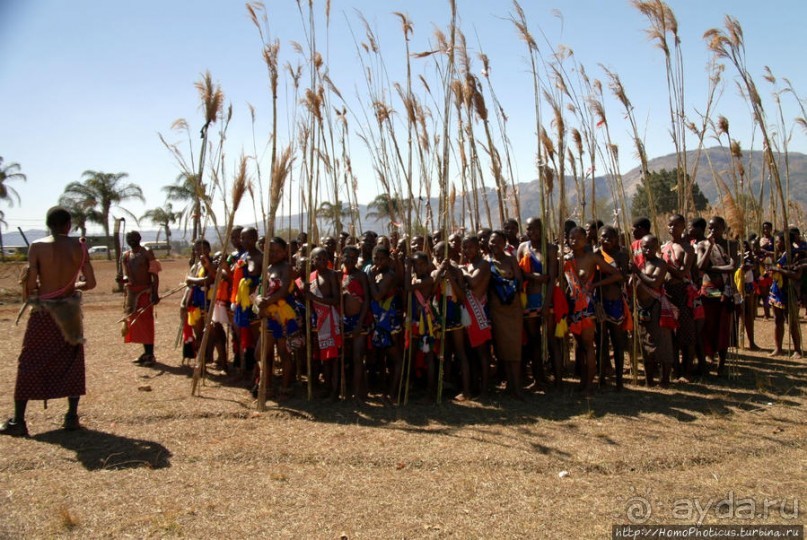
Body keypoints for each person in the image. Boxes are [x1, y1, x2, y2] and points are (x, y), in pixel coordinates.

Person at [1, 207, 96, 436]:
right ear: (68, 225)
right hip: (70, 312)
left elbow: (30, 285)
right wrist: (74, 286)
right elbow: (90, 283)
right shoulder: (79, 247)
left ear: (48, 224)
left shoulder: (37, 247)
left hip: (43, 313)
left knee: (30, 360)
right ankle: (71, 417)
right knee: (72, 359)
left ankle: (19, 421)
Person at [564, 227, 623, 395]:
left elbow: (616, 274)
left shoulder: (592, 257)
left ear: (585, 239)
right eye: (571, 238)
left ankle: (590, 385)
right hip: (572, 306)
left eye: (578, 238)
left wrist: (595, 285)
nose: (574, 241)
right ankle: (583, 381)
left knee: (588, 345)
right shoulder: (566, 259)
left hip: (587, 306)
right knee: (580, 346)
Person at [516, 217, 557, 389]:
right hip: (529, 299)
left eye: (534, 229)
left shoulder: (550, 249)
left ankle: (557, 379)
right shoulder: (522, 248)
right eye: (528, 229)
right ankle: (537, 378)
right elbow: (519, 273)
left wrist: (547, 304)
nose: (531, 232)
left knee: (551, 340)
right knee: (533, 340)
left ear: (541, 229)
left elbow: (552, 278)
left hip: (546, 298)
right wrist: (534, 277)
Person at [695, 216, 737, 375]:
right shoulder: (702, 245)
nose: (712, 231)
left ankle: (722, 364)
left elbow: (733, 266)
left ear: (723, 228)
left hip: (725, 289)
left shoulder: (730, 244)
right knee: (707, 325)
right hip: (709, 289)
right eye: (710, 228)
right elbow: (701, 266)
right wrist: (709, 248)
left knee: (723, 326)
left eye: (716, 228)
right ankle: (706, 359)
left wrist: (712, 268)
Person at [632, 234, 674, 386]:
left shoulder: (660, 264)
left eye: (651, 247)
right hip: (642, 308)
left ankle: (664, 380)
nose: (647, 249)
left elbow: (655, 283)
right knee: (645, 344)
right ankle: (649, 380)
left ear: (657, 247)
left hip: (656, 307)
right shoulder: (640, 264)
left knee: (662, 344)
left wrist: (637, 272)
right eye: (644, 247)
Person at [488, 230, 525, 399]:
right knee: (503, 348)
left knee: (514, 348)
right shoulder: (487, 263)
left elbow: (519, 281)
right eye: (491, 242)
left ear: (504, 244)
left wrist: (508, 291)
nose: (494, 245)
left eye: (497, 242)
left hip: (513, 309)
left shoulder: (511, 259)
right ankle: (509, 385)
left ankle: (517, 387)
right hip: (497, 310)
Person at [661, 214, 698, 380]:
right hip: (667, 293)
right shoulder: (664, 247)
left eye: (675, 225)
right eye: (669, 225)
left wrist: (666, 266)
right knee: (671, 334)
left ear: (683, 227)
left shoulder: (687, 248)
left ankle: (687, 371)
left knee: (686, 334)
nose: (671, 228)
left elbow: (683, 272)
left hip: (682, 293)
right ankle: (675, 370)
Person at [595, 225, 630, 390]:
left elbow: (622, 277)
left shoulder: (621, 255)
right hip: (599, 301)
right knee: (601, 341)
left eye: (610, 238)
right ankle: (601, 378)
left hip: (615, 302)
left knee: (617, 342)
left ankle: (619, 380)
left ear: (616, 239)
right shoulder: (595, 254)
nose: (607, 240)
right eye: (604, 237)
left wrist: (601, 281)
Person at [305, 247, 342, 400]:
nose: (321, 261)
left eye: (324, 258)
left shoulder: (332, 275)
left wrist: (314, 297)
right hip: (319, 321)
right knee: (324, 359)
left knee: (333, 358)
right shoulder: (311, 276)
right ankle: (327, 388)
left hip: (331, 319)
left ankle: (335, 391)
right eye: (317, 259)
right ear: (312, 261)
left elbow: (335, 300)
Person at [120, 230, 161, 366]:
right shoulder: (126, 256)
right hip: (132, 294)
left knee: (146, 323)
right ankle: (145, 353)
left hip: (145, 293)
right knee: (136, 324)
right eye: (129, 238)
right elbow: (127, 275)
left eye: (134, 237)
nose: (131, 240)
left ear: (139, 238)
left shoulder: (147, 253)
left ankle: (150, 355)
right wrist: (123, 279)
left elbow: (154, 275)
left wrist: (155, 293)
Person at [461, 235, 493, 397]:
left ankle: (485, 389)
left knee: (483, 353)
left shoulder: (484, 264)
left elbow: (473, 282)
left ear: (478, 247)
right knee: (470, 353)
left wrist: (461, 270)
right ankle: (473, 386)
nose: (467, 251)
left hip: (479, 312)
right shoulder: (468, 264)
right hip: (467, 313)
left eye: (470, 247)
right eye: (464, 247)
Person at [341, 245, 371, 403]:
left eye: (354, 257)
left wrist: (360, 322)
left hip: (358, 320)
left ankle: (357, 393)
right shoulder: (338, 275)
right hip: (343, 321)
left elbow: (366, 300)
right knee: (346, 357)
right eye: (348, 257)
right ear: (342, 256)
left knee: (358, 357)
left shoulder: (360, 276)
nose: (350, 260)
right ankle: (350, 390)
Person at [768, 233, 803, 358]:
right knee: (778, 320)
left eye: (778, 241)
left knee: (793, 321)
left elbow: (797, 275)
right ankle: (778, 348)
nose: (776, 244)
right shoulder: (779, 255)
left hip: (790, 292)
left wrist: (779, 270)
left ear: (786, 242)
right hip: (777, 292)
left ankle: (797, 350)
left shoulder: (796, 255)